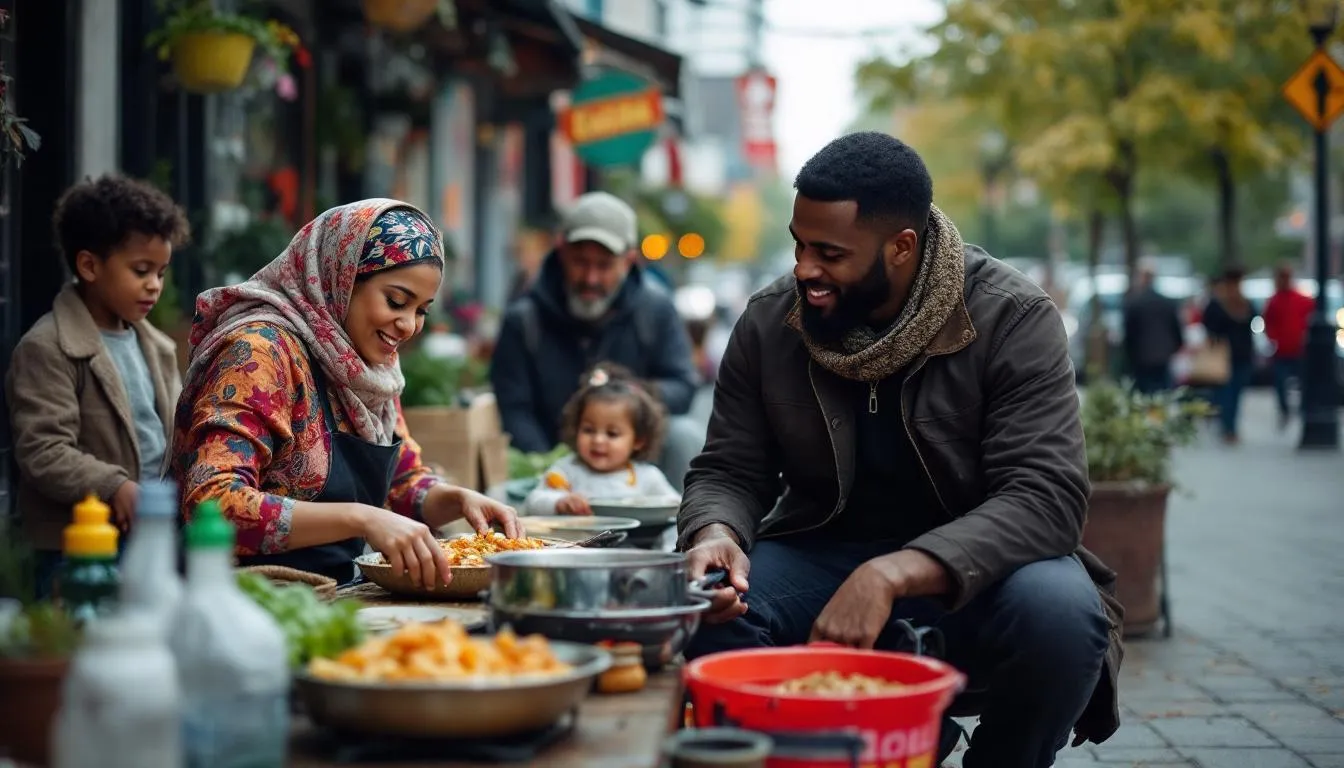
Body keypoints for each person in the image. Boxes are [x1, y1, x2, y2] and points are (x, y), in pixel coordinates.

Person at [677, 132, 1121, 768]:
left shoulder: (1012, 316)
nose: (805, 269)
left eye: (830, 253)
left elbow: (1046, 498)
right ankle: (848, 749)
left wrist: (893, 572)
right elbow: (728, 468)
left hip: (981, 572)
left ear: (902, 247)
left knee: (1061, 614)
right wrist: (714, 532)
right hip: (820, 557)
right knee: (709, 604)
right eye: (799, 245)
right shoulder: (770, 321)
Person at [172, 201, 520, 587]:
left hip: (333, 595)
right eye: (396, 302)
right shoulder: (259, 351)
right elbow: (212, 503)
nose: (408, 326)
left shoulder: (367, 367)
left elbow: (402, 482)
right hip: (243, 602)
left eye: (422, 310)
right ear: (340, 278)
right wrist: (362, 517)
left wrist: (456, 499)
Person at [6, 174, 189, 599]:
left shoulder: (157, 347)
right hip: (76, 551)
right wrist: (115, 486)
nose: (154, 285)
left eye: (160, 273)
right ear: (89, 266)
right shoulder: (47, 347)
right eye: (140, 271)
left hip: (151, 535)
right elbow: (43, 450)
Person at [490, 191, 701, 490]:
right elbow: (514, 408)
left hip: (635, 468)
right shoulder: (523, 321)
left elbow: (683, 386)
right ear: (561, 252)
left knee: (684, 434)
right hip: (552, 468)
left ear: (629, 261)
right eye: (580, 262)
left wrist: (629, 395)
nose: (590, 278)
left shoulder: (656, 310)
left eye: (604, 266)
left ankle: (679, 530)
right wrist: (554, 470)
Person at [522, 363, 678, 516]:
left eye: (612, 434)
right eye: (588, 430)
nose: (598, 440)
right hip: (578, 541)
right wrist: (560, 502)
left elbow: (675, 505)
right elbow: (533, 502)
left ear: (638, 440)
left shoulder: (646, 477)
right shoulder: (566, 471)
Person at [1202, 267, 1255, 444]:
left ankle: (1228, 426)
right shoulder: (1243, 303)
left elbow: (1209, 326)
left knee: (1230, 393)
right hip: (1233, 355)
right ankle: (1229, 427)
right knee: (1231, 394)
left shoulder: (1221, 303)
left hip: (1231, 354)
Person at [1261, 263, 1314, 430]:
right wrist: (1272, 338)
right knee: (1280, 384)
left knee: (1303, 382)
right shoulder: (1274, 300)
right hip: (1281, 350)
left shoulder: (1302, 300)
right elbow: (1268, 321)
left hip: (1299, 349)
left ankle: (1303, 410)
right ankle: (1285, 410)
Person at [1122, 263, 1185, 394]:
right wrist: (1175, 347)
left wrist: (1129, 355)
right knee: (1163, 393)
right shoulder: (1167, 303)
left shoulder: (1134, 303)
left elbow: (1129, 333)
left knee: (1144, 394)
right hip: (1163, 356)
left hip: (1141, 357)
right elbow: (1176, 329)